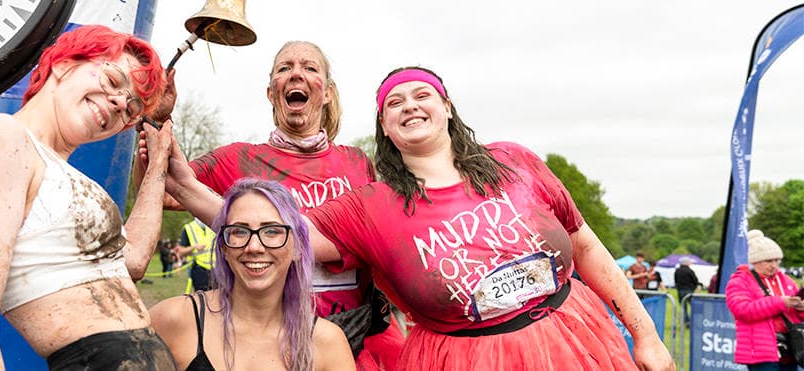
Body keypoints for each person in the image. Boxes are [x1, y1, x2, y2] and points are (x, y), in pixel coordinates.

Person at [162, 66, 673, 369]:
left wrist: (645, 334)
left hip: (574, 340)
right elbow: (276, 230)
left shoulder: (514, 161)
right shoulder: (370, 205)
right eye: (394, 104)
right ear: (384, 126)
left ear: (447, 107)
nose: (410, 106)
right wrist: (190, 188)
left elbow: (586, 247)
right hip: (464, 359)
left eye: (421, 94)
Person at [143, 41, 405, 369]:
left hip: (360, 337)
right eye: (285, 68)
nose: (296, 74)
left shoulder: (357, 162)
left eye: (310, 68)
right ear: (271, 92)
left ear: (326, 93)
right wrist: (156, 118)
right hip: (273, 346)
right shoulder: (237, 158)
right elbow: (162, 189)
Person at [0, 25, 178, 370]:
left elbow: (135, 259)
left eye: (131, 109)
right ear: (64, 64)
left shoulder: (72, 177)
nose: (118, 104)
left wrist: (158, 161)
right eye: (113, 81)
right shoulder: (3, 139)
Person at [150, 178, 354, 371]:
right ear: (223, 247)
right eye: (239, 231)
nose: (254, 246)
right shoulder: (174, 320)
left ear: (298, 247)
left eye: (272, 231)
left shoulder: (327, 344)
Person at [726, 229, 804, 370]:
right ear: (755, 261)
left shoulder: (787, 280)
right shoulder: (739, 281)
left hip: (790, 349)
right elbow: (743, 311)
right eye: (768, 260)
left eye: (776, 260)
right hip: (761, 353)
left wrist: (800, 308)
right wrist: (780, 302)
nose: (774, 265)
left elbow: (795, 315)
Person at [177, 218, 217, 293]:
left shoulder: (215, 226)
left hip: (217, 269)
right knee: (202, 297)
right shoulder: (189, 228)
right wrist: (194, 247)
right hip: (199, 270)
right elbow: (180, 252)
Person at [674, 257, 701, 325]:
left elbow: (676, 281)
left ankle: (687, 321)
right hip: (689, 291)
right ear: (686, 263)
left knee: (683, 307)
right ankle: (694, 321)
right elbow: (695, 280)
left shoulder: (677, 271)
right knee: (694, 306)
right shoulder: (689, 271)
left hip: (680, 291)